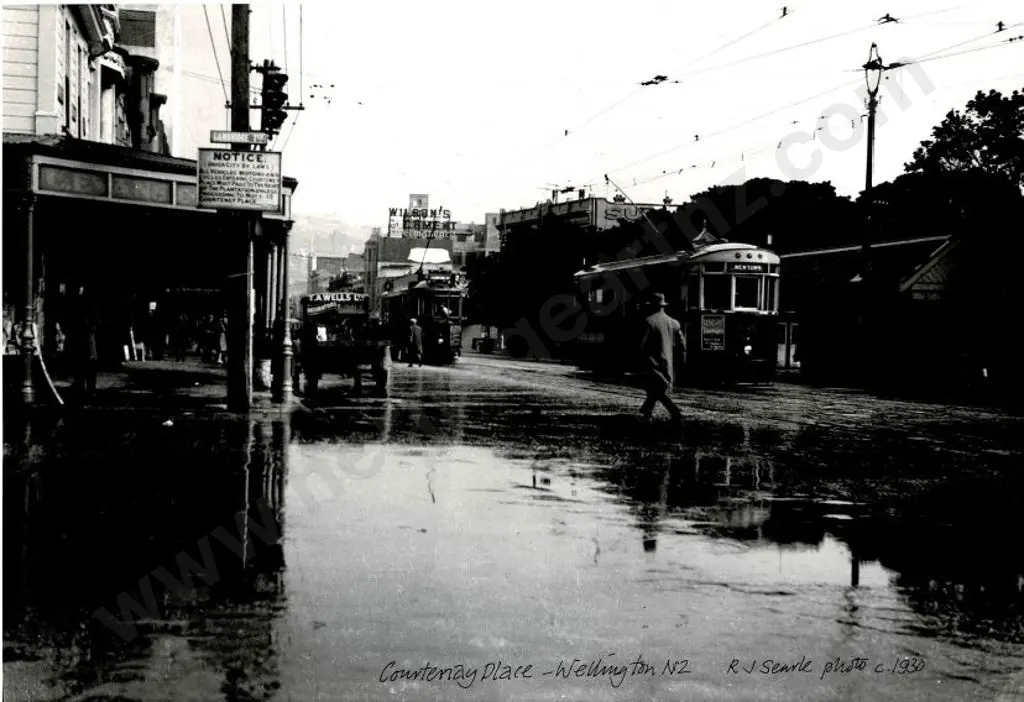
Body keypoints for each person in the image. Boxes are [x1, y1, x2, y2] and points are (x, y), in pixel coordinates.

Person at [638, 292, 685, 423]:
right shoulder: (674, 323)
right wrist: (681, 361)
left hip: (652, 362)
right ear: (663, 306)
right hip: (668, 362)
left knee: (656, 388)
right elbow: (682, 345)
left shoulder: (649, 322)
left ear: (652, 306)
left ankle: (673, 410)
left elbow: (642, 345)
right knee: (659, 388)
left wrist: (641, 360)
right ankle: (647, 411)